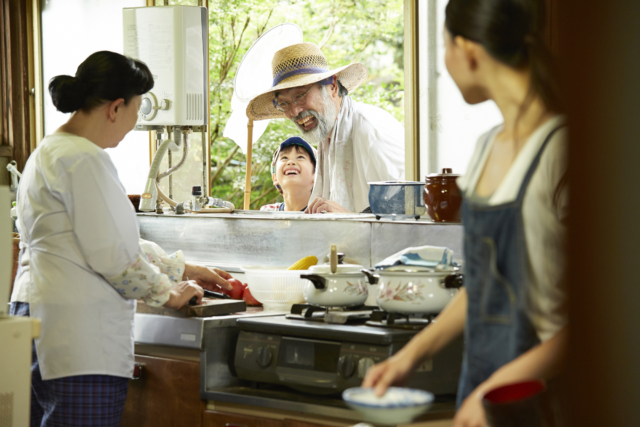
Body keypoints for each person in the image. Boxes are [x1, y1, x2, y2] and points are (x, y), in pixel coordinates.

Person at [362, 0, 568, 426]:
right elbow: (482, 285)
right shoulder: (486, 148)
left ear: (467, 48)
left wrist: (499, 389)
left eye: (444, 48)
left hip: (543, 399)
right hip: (479, 389)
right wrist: (409, 357)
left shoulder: (560, 150)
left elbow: (597, 322)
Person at [9, 51, 233, 426]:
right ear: (116, 107)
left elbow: (88, 241)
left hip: (39, 321)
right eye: (137, 110)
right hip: (80, 340)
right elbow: (115, 258)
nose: (132, 124)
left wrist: (179, 267)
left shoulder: (48, 151)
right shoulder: (84, 159)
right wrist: (169, 293)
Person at [246, 42, 405, 214]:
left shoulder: (371, 128)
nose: (294, 111)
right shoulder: (329, 140)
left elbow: (411, 209)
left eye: (300, 95)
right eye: (284, 103)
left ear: (333, 87)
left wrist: (347, 218)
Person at [260, 137, 316, 212]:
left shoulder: (322, 215)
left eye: (300, 157)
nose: (290, 162)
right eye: (284, 158)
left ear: (316, 175)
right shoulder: (267, 212)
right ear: (275, 177)